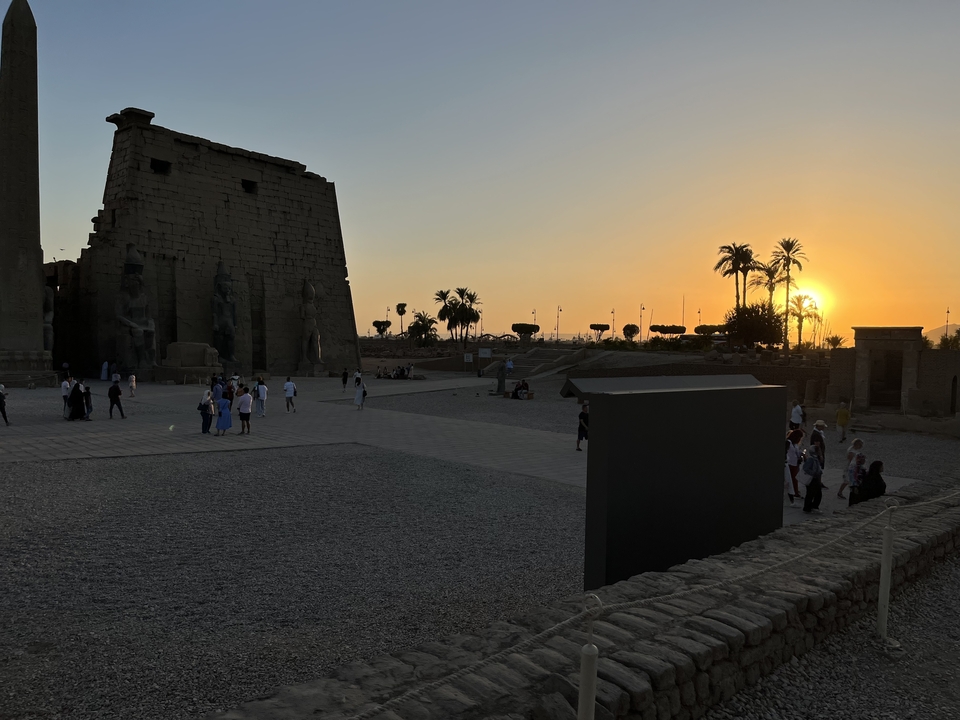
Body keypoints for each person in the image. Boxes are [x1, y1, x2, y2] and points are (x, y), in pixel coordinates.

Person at [801, 447, 823, 513]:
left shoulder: (816, 458)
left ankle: (811, 507)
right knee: (812, 493)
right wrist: (814, 473)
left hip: (815, 478)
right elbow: (806, 468)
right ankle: (810, 507)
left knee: (816, 493)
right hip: (812, 478)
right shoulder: (811, 459)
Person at [786, 429, 805, 507]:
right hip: (790, 463)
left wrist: (801, 455)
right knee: (792, 479)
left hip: (795, 463)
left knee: (795, 478)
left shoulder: (795, 444)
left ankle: (795, 492)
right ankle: (793, 493)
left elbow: (797, 452)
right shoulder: (788, 443)